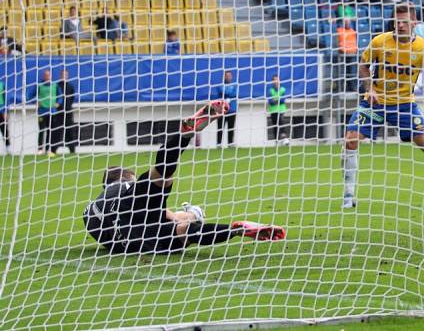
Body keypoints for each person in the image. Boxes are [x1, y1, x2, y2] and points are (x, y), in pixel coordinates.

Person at [83, 100, 286, 255]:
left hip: (128, 242)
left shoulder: (90, 210)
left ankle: (234, 230)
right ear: (126, 176)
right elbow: (168, 215)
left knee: (183, 229)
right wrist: (192, 214)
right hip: (135, 221)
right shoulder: (122, 185)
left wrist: (189, 215)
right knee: (162, 176)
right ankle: (183, 136)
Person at [341, 3, 424, 208]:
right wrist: (370, 87)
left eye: (405, 22)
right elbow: (363, 65)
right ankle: (348, 196)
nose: (400, 26)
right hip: (375, 102)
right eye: (397, 22)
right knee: (351, 139)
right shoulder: (380, 41)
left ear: (414, 23)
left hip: (404, 106)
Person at [31, 70, 61, 157]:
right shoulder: (39, 85)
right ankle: (40, 149)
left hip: (52, 111)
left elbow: (60, 96)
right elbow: (30, 95)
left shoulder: (55, 85)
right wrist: (35, 101)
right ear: (44, 76)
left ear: (50, 76)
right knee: (41, 130)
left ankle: (49, 149)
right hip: (42, 111)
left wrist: (58, 103)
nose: (47, 77)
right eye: (45, 75)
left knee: (50, 131)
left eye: (48, 75)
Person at [55, 69, 77, 154]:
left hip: (68, 112)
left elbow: (71, 98)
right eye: (63, 74)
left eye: (66, 75)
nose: (64, 76)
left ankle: (72, 151)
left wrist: (67, 107)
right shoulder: (57, 86)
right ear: (60, 76)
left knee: (70, 131)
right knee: (57, 132)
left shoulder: (70, 86)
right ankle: (53, 150)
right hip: (59, 112)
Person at [214, 71, 237, 147]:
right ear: (224, 77)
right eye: (227, 76)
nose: (228, 77)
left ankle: (230, 143)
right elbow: (221, 91)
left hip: (232, 110)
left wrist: (227, 95)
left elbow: (234, 93)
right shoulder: (220, 85)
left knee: (231, 128)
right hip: (222, 110)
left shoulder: (234, 85)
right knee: (220, 127)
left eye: (230, 76)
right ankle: (219, 144)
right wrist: (228, 94)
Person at [268, 75, 289, 144]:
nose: (276, 81)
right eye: (274, 80)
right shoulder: (270, 90)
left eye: (277, 79)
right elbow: (270, 101)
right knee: (275, 125)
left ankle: (284, 136)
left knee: (280, 121)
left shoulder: (283, 89)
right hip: (273, 110)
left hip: (281, 109)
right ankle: (277, 140)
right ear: (272, 81)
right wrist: (277, 100)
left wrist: (276, 100)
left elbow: (283, 99)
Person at [0, 78, 9, 154]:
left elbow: (5, 98)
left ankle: (8, 147)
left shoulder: (2, 84)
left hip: (1, 111)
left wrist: (6, 111)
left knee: (4, 129)